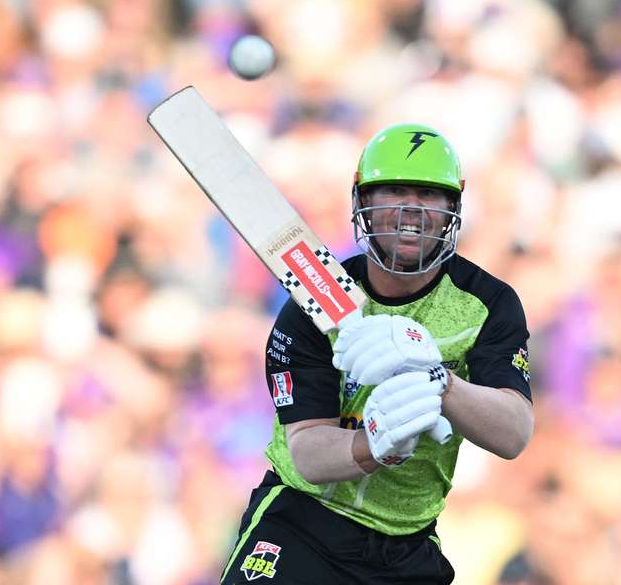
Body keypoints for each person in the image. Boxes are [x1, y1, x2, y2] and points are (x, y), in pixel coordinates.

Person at [220, 124, 535, 584]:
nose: (411, 208)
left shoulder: (487, 303)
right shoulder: (312, 302)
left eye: (429, 194)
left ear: (453, 207)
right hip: (303, 523)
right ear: (362, 200)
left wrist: (438, 381)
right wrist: (374, 447)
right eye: (394, 191)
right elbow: (307, 451)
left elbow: (513, 434)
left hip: (407, 542)